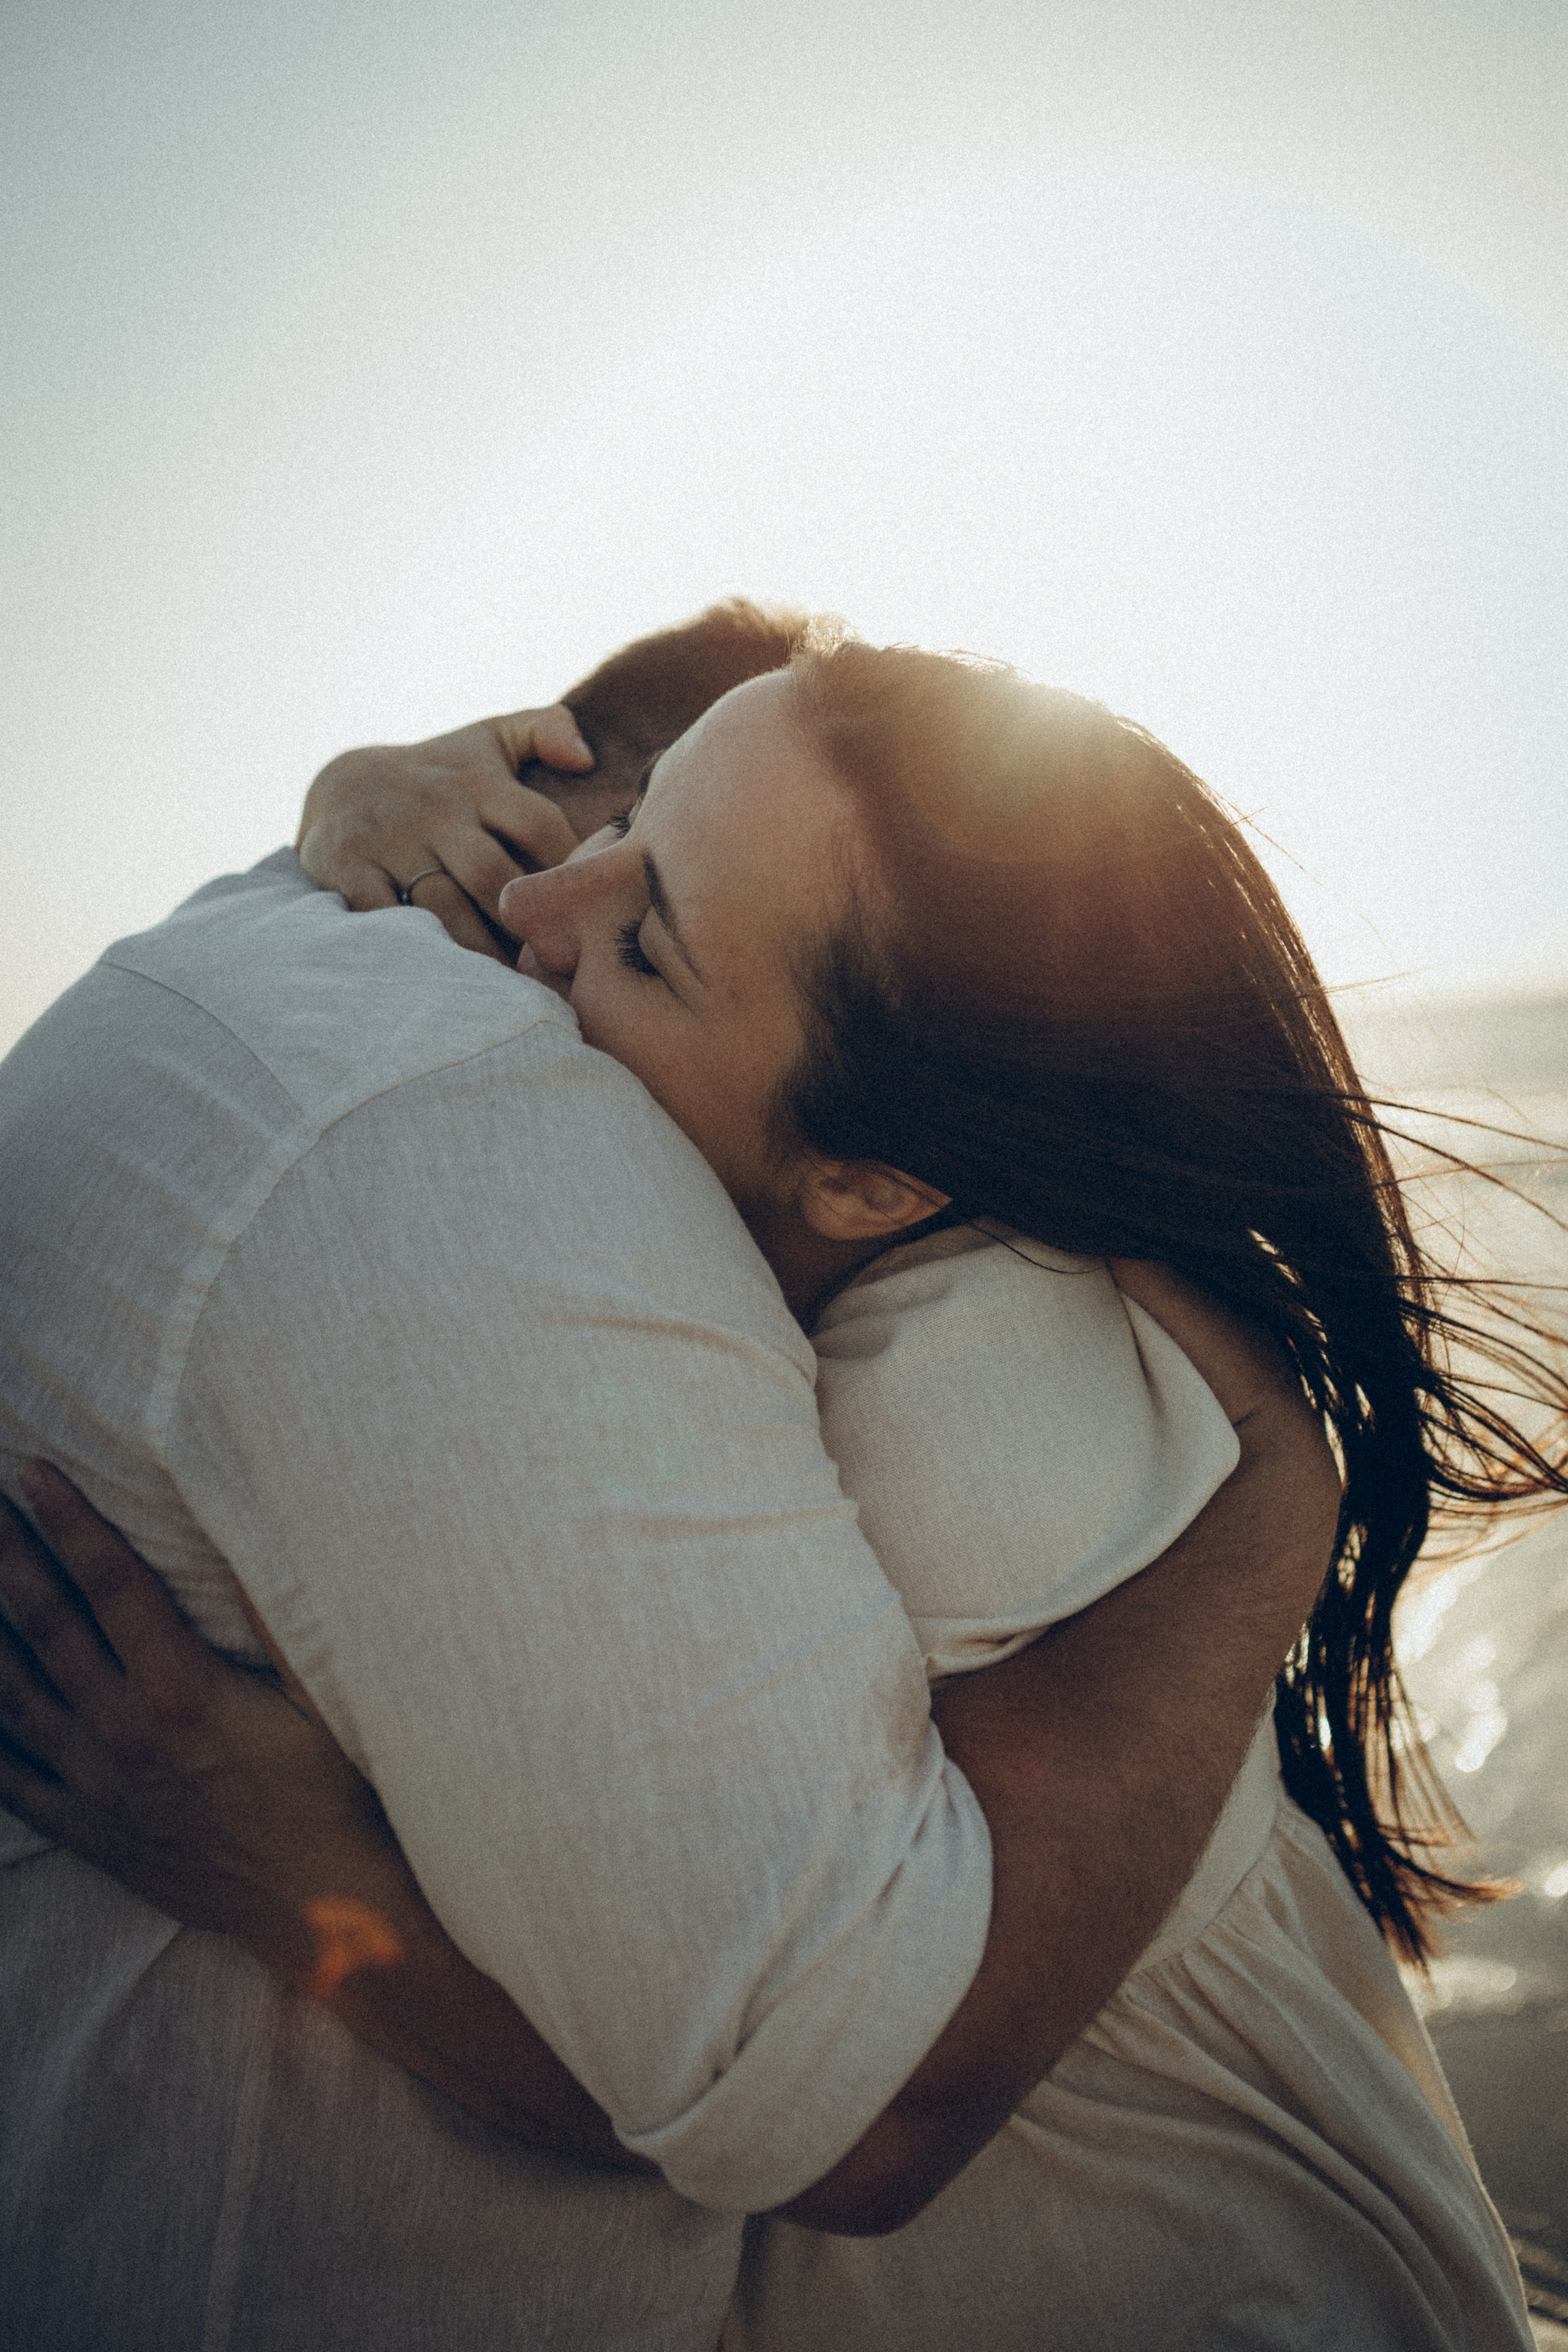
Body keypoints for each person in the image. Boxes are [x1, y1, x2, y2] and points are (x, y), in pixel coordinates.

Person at [4, 606, 1561, 2346]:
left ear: (873, 1180)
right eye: (619, 832)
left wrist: (294, 1875)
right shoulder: (836, 1224)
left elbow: (825, 2096)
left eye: (650, 937)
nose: (527, 913)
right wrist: (373, 785)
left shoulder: (969, 1422)